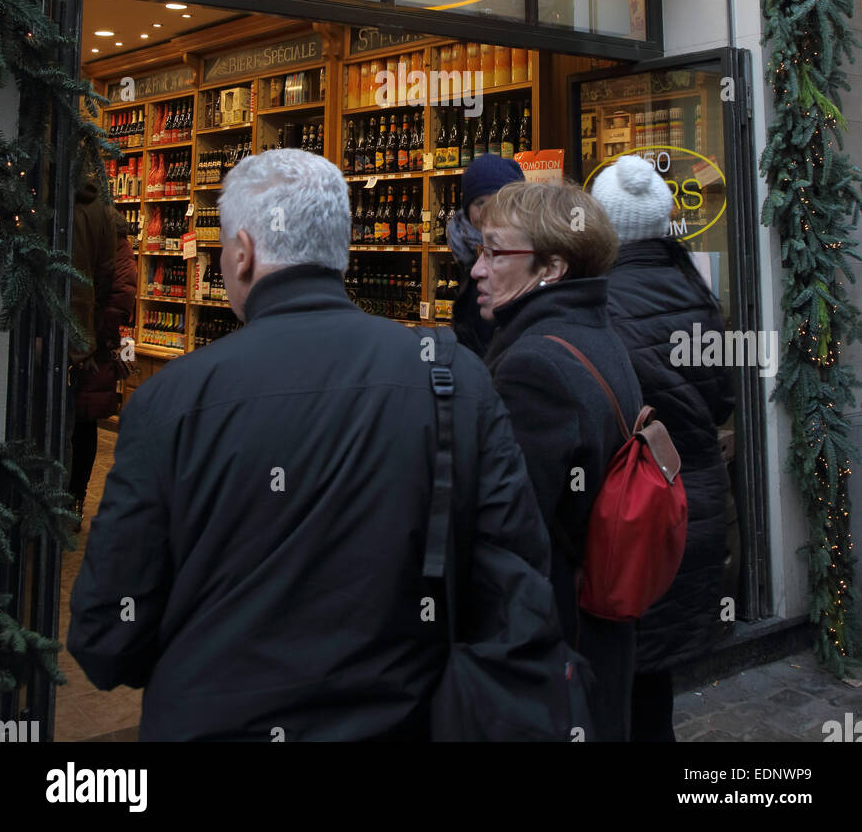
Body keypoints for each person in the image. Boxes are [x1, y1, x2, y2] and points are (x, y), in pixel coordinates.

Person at [67, 149, 571, 742]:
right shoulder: (453, 379)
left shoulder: (165, 403)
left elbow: (105, 639)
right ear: (342, 248)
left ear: (244, 252)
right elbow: (517, 587)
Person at [472, 177, 643, 742]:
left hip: (554, 641)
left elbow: (509, 530)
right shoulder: (593, 330)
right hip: (598, 634)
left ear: (551, 267)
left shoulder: (535, 366)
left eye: (495, 252)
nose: (477, 268)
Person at [592, 153, 735, 743]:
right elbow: (724, 398)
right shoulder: (693, 287)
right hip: (692, 507)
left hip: (635, 514)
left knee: (618, 684)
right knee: (652, 688)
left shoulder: (599, 300)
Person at [68, 208, 137, 527]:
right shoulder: (99, 229)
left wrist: (95, 335)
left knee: (81, 423)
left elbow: (121, 295)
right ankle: (67, 499)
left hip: (89, 345)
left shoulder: (109, 235)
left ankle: (73, 499)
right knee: (79, 424)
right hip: (84, 341)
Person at [68, 166, 118, 529]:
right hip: (83, 334)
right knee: (81, 421)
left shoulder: (40, 194)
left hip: (46, 328)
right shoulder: (100, 209)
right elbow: (107, 275)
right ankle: (72, 502)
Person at [446, 153, 525, 356]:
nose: (490, 210)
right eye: (480, 203)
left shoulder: (525, 257)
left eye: (498, 199)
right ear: (467, 209)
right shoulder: (465, 255)